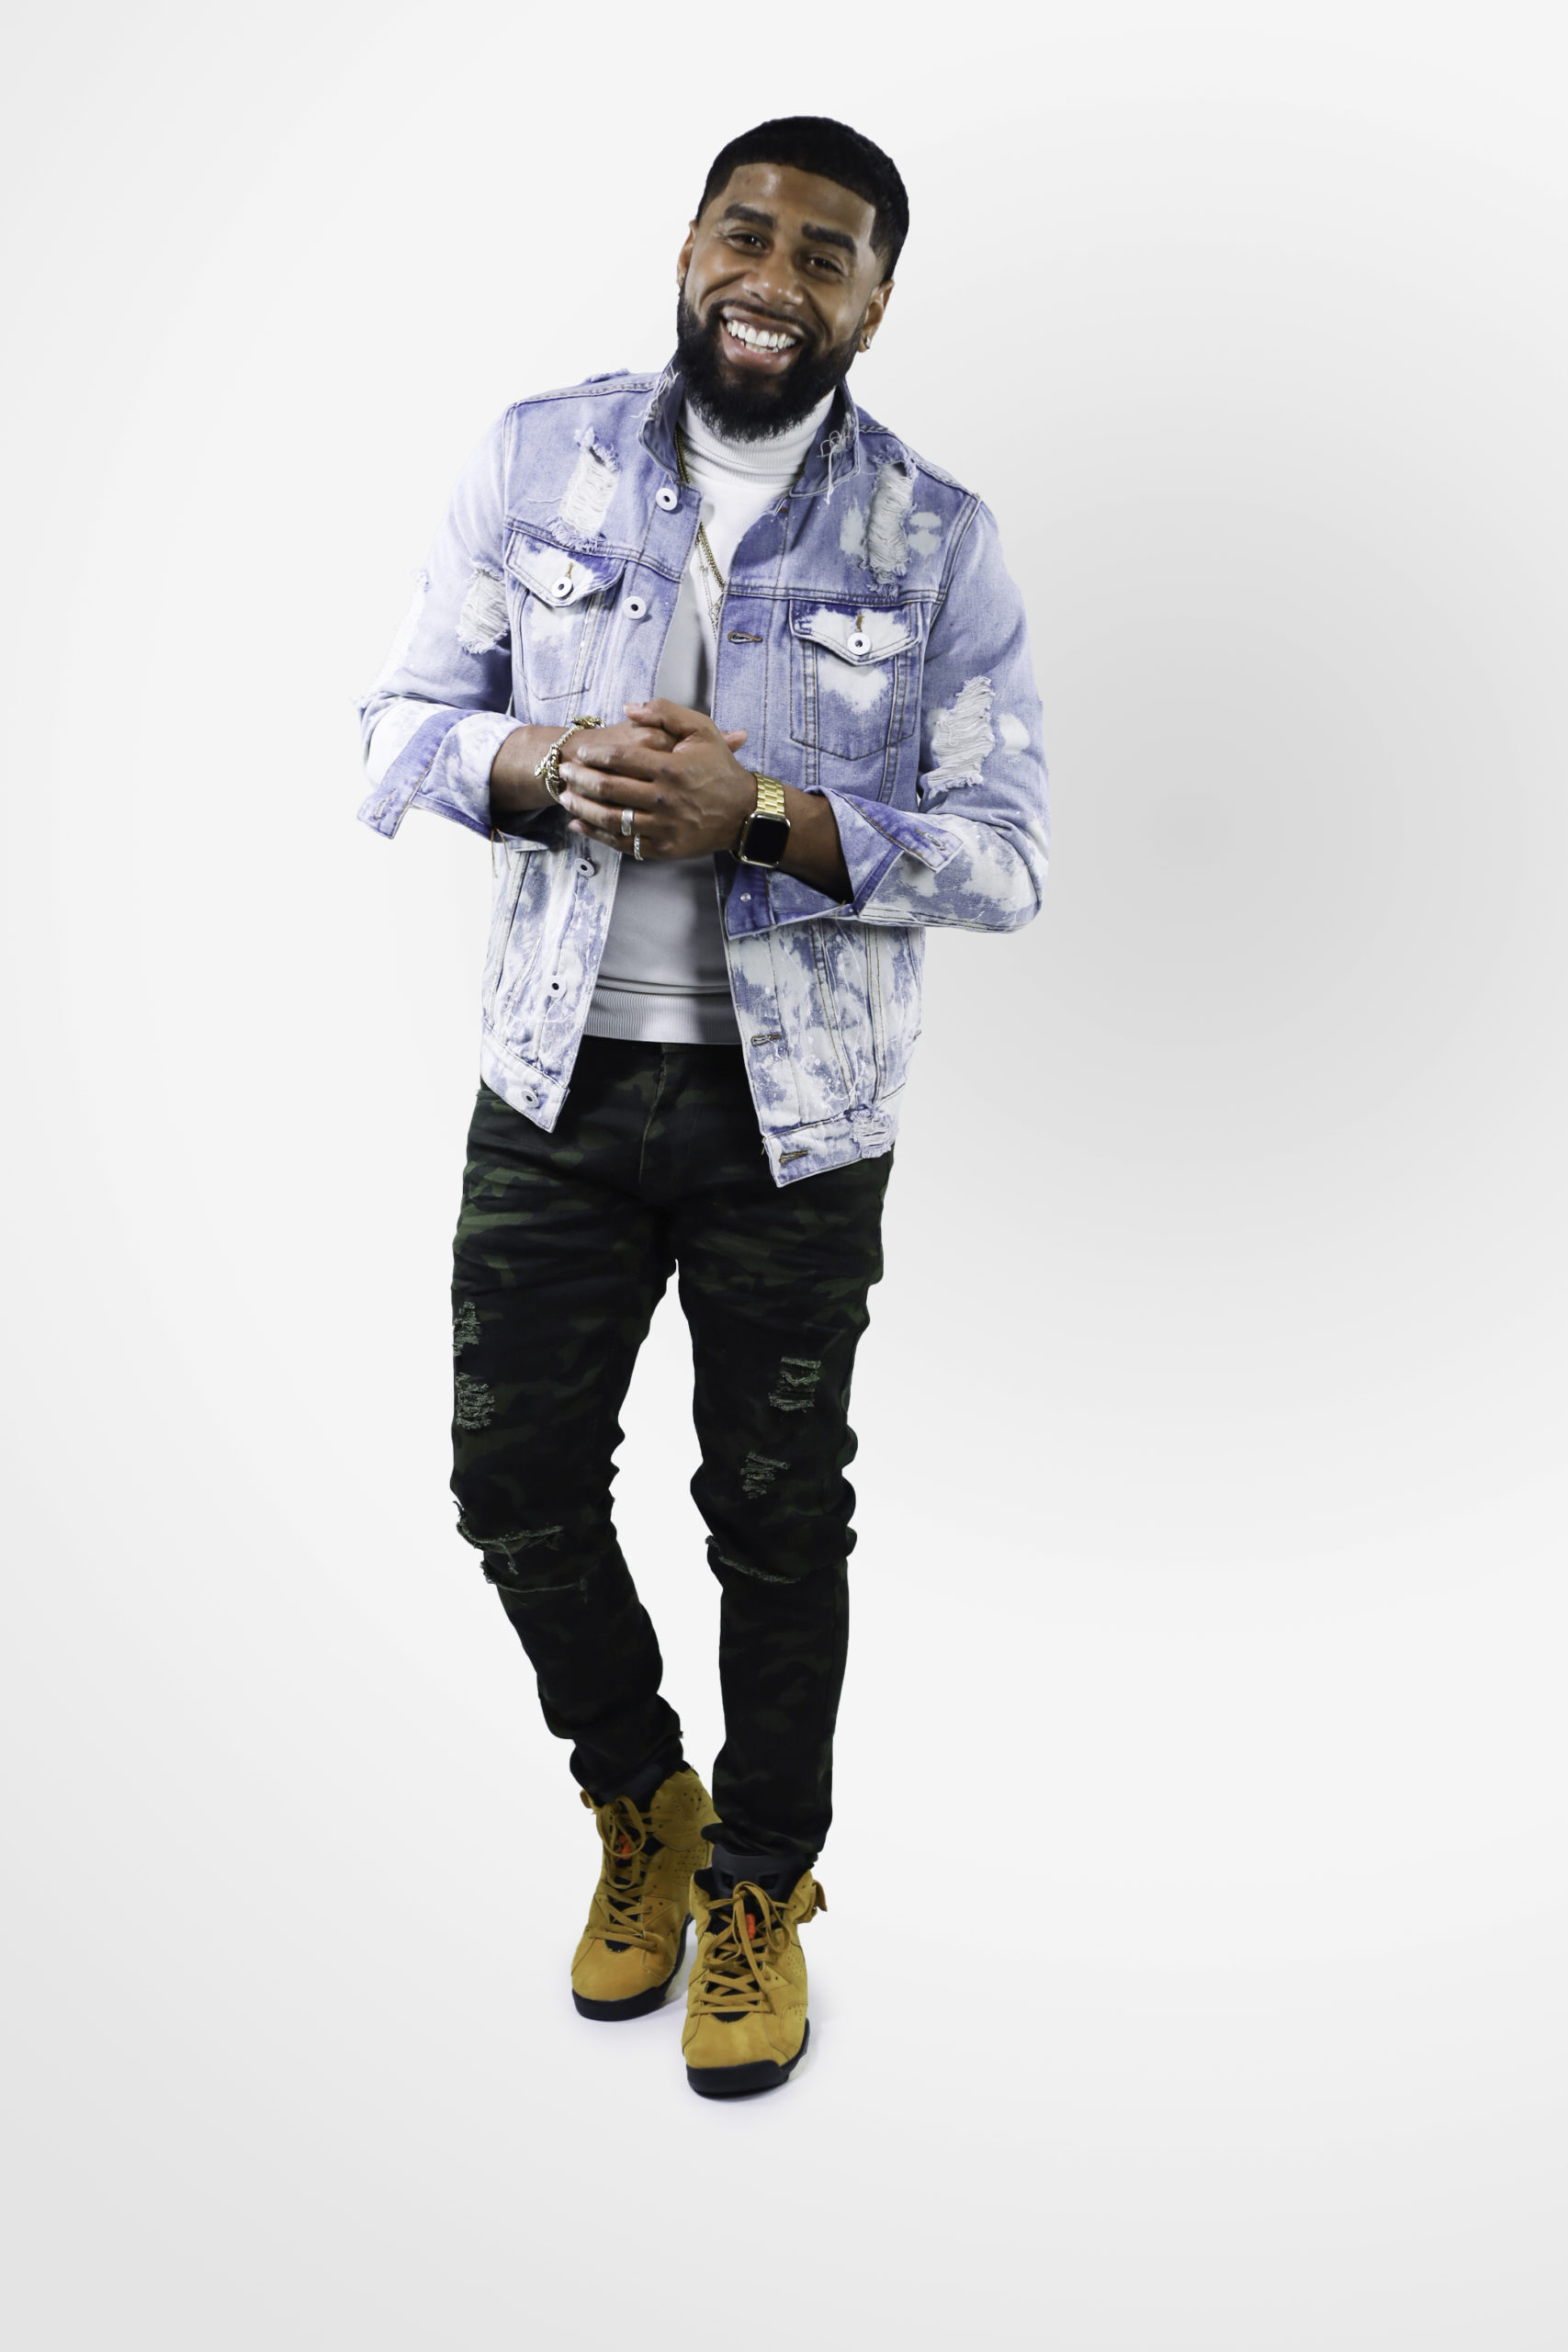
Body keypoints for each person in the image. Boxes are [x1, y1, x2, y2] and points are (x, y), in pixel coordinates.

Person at [357, 115, 1048, 2098]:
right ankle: (639, 1798)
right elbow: (401, 724)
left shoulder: (934, 537)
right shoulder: (534, 458)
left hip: (793, 1119)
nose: (774, 277)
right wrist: (546, 765)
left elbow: (1006, 857)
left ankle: (757, 1884)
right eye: (747, 234)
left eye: (825, 256)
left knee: (775, 1510)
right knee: (511, 1482)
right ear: (688, 248)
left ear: (874, 304)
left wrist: (758, 812)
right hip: (554, 1079)